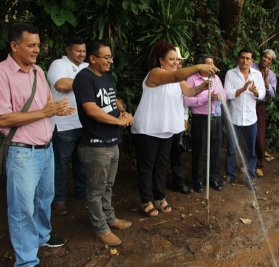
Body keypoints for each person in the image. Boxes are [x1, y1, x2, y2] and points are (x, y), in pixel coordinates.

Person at [0, 23, 72, 267]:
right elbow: (1, 118)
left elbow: (45, 105)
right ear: (14, 46)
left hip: (46, 149)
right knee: (22, 209)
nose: (36, 49)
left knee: (45, 197)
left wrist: (58, 110)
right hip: (22, 151)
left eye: (38, 45)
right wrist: (45, 112)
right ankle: (26, 261)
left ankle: (42, 237)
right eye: (31, 45)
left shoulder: (38, 72)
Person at [131, 41, 218, 217]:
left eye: (177, 59)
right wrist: (199, 66)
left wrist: (201, 87)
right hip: (148, 129)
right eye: (171, 59)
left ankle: (160, 196)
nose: (175, 62)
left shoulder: (178, 80)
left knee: (161, 165)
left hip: (167, 129)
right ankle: (146, 199)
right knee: (147, 166)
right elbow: (173, 76)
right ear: (161, 59)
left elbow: (189, 92)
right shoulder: (156, 74)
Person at [73, 40, 134, 246]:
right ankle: (101, 227)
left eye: (110, 56)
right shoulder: (84, 78)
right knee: (96, 190)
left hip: (111, 142)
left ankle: (110, 218)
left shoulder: (105, 77)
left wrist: (122, 110)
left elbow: (112, 98)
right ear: (93, 58)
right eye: (106, 57)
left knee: (108, 186)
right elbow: (91, 109)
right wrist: (119, 121)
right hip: (95, 145)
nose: (111, 60)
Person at [47, 35, 89, 215]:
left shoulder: (87, 66)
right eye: (78, 51)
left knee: (82, 159)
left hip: (84, 121)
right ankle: (58, 199)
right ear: (68, 50)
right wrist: (88, 83)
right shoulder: (59, 64)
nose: (81, 54)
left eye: (84, 51)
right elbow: (61, 84)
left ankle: (81, 191)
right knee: (61, 163)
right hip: (63, 123)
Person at [222, 48, 266, 190]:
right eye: (242, 57)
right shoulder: (231, 73)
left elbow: (263, 93)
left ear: (252, 61)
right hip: (234, 117)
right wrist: (241, 89)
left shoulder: (257, 75)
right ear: (238, 59)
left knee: (250, 150)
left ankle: (250, 176)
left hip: (250, 118)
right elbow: (227, 93)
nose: (244, 61)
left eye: (248, 58)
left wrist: (255, 91)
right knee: (231, 149)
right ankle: (230, 174)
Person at [184, 53, 226, 193]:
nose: (213, 66)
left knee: (215, 148)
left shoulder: (216, 78)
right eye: (209, 63)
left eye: (213, 63)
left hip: (216, 117)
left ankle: (214, 178)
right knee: (199, 149)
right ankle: (198, 180)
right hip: (201, 118)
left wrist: (219, 96)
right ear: (201, 65)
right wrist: (206, 99)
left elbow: (224, 94)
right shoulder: (192, 79)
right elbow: (187, 100)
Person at [168, 47, 193, 194]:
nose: (177, 62)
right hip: (163, 122)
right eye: (174, 59)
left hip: (177, 121)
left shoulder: (182, 79)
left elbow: (185, 100)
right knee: (161, 155)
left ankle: (179, 182)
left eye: (179, 60)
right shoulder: (161, 76)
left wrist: (184, 118)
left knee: (177, 153)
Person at [251, 49, 277, 177]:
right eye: (264, 57)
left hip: (259, 106)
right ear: (260, 57)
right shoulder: (251, 66)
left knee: (259, 136)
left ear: (271, 62)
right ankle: (246, 163)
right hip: (247, 103)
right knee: (245, 135)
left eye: (269, 59)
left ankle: (259, 164)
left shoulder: (271, 75)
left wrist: (266, 81)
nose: (265, 60)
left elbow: (272, 94)